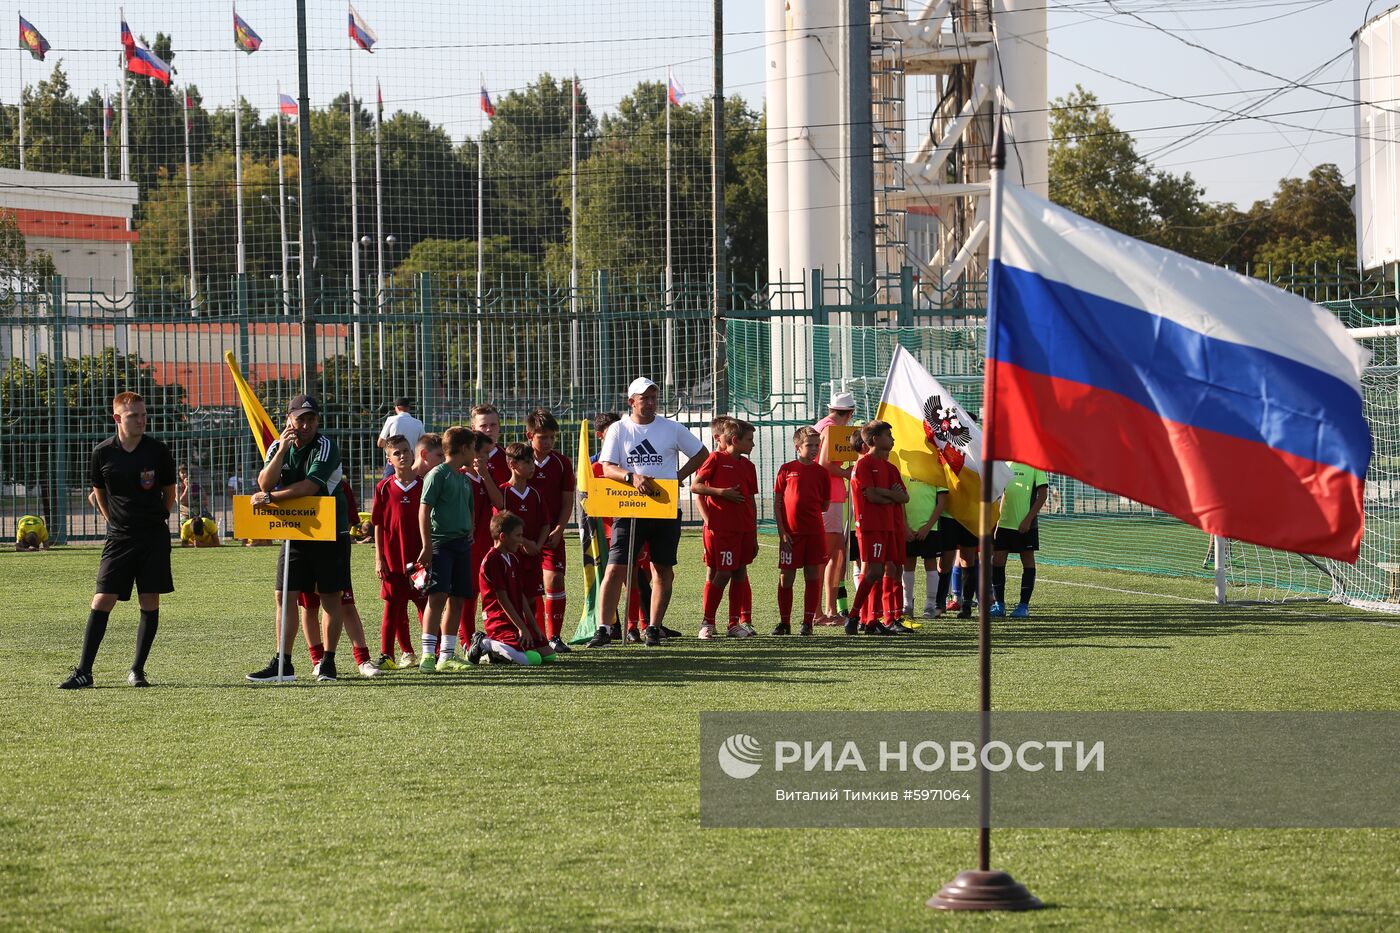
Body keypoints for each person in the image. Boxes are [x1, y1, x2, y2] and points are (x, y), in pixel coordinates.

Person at [61, 392, 177, 689]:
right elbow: (99, 490)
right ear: (117, 419)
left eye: (143, 414)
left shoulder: (158, 451)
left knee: (149, 600)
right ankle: (84, 672)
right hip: (119, 538)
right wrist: (112, 520)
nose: (141, 420)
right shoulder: (103, 452)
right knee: (102, 599)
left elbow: (169, 493)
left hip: (153, 536)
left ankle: (137, 670)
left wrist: (155, 520)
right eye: (133, 416)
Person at [588, 378, 708, 648]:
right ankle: (604, 629)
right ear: (632, 401)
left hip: (664, 509)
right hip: (628, 509)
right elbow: (607, 467)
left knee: (662, 568)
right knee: (615, 568)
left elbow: (702, 453)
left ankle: (653, 628)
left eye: (654, 397)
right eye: (645, 398)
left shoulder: (672, 428)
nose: (651, 402)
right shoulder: (619, 429)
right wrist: (632, 477)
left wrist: (678, 477)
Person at [245, 394, 356, 684]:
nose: (306, 424)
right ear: (289, 420)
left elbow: (309, 486)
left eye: (311, 418)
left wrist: (269, 499)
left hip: (329, 529)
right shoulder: (277, 446)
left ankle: (328, 662)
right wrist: (281, 451)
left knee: (330, 596)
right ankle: (283, 662)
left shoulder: (325, 446)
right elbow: (264, 481)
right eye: (300, 418)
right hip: (294, 531)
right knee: (284, 595)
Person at [587, 411, 652, 641]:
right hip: (605, 531)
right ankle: (609, 626)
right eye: (611, 432)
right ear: (600, 436)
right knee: (609, 576)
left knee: (634, 577)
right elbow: (587, 499)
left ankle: (634, 626)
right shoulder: (595, 467)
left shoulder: (630, 464)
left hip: (630, 526)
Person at [692, 417, 759, 639]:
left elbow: (750, 500)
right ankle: (707, 622)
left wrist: (754, 532)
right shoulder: (716, 458)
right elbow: (696, 486)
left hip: (744, 528)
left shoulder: (749, 466)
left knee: (740, 572)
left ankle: (734, 624)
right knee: (722, 573)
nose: (753, 444)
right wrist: (722, 493)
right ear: (734, 440)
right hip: (724, 528)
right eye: (749, 440)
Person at [416, 425, 476, 672]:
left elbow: (469, 506)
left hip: (462, 544)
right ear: (463, 449)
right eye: (473, 447)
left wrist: (469, 526)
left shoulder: (464, 477)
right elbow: (424, 509)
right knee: (437, 596)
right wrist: (427, 545)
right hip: (441, 544)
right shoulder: (438, 474)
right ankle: (428, 654)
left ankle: (447, 656)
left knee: (458, 598)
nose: (475, 452)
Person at [842, 420, 909, 635]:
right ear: (875, 439)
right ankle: (854, 615)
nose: (893, 439)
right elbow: (871, 496)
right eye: (889, 435)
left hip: (887, 525)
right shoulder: (864, 464)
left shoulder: (888, 467)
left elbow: (904, 497)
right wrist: (891, 495)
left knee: (882, 572)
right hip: (870, 525)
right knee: (873, 571)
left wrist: (886, 494)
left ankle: (872, 619)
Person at [466, 511, 550, 665]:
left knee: (548, 655)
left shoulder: (513, 558)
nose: (521, 541)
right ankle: (485, 642)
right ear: (503, 537)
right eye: (518, 536)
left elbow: (521, 595)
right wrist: (522, 628)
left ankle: (499, 654)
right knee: (531, 660)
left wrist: (533, 626)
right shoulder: (493, 559)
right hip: (499, 623)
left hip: (515, 622)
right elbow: (502, 598)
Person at [372, 434, 425, 670]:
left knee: (426, 607)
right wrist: (379, 557)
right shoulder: (383, 487)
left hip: (421, 560)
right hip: (393, 560)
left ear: (413, 453)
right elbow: (378, 524)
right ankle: (392, 654)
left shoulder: (424, 484)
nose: (402, 455)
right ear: (389, 459)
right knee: (394, 607)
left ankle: (434, 652)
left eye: (406, 451)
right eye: (397, 453)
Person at [525, 409, 575, 653]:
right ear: (530, 435)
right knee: (528, 587)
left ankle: (554, 637)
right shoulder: (519, 461)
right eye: (542, 437)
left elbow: (567, 501)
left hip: (552, 536)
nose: (547, 442)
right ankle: (534, 636)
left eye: (552, 437)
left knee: (554, 580)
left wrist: (560, 528)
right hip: (523, 538)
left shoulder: (562, 463)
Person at [773, 426, 829, 635]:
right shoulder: (786, 469)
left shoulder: (821, 473)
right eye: (809, 445)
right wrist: (782, 531)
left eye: (817, 445)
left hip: (814, 533)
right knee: (786, 577)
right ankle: (784, 622)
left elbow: (824, 504)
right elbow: (778, 503)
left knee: (812, 575)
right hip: (790, 535)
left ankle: (807, 622)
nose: (814, 449)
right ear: (798, 447)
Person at [499, 441, 551, 643]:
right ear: (512, 464)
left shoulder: (536, 493)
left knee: (531, 598)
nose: (533, 466)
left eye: (533, 462)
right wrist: (523, 543)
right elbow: (501, 525)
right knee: (512, 597)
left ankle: (535, 637)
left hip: (533, 555)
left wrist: (537, 545)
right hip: (512, 557)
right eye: (528, 462)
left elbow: (545, 523)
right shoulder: (503, 492)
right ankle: (513, 636)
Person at [457, 431, 504, 646]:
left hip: (485, 542)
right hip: (467, 544)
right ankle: (466, 640)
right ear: (471, 452)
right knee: (468, 593)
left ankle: (489, 636)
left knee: (484, 590)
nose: (487, 457)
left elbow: (499, 503)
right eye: (484, 453)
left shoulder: (484, 475)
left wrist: (485, 474)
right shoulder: (459, 476)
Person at [815, 391, 857, 623]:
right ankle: (825, 611)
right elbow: (824, 464)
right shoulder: (832, 429)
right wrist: (847, 473)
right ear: (850, 413)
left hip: (828, 496)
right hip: (829, 496)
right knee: (831, 554)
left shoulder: (823, 425)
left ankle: (827, 609)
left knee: (835, 553)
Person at [991, 462, 1050, 619]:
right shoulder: (1007, 464)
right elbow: (1004, 494)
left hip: (1025, 525)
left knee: (1028, 562)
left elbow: (1043, 496)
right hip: (1004, 525)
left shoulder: (1036, 465)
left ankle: (1023, 606)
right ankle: (999, 605)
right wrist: (998, 521)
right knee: (997, 561)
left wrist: (1028, 520)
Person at [902, 478, 948, 619]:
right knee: (908, 565)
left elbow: (941, 503)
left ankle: (930, 605)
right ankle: (907, 604)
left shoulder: (935, 469)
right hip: (908, 529)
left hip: (930, 529)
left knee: (931, 564)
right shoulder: (904, 470)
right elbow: (900, 502)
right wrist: (905, 527)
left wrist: (927, 527)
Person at [376, 397, 425, 477]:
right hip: (411, 460)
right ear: (408, 408)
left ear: (397, 407)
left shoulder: (391, 420)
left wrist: (389, 447)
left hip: (395, 459)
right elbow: (423, 443)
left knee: (387, 485)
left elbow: (380, 443)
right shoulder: (418, 423)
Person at [471, 403, 512, 488]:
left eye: (493, 425)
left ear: (499, 426)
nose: (489, 429)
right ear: (473, 428)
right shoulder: (466, 458)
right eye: (483, 426)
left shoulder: (509, 456)